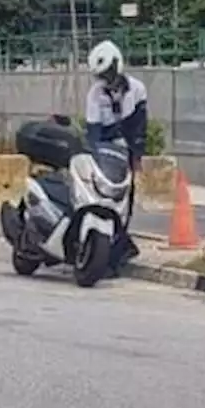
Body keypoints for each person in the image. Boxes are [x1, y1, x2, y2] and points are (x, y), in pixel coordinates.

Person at [83, 40, 147, 271]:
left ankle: (117, 252)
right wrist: (93, 154)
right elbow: (93, 129)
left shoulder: (137, 89)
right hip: (106, 151)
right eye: (102, 75)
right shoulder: (95, 94)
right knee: (102, 196)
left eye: (108, 73)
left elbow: (140, 126)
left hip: (126, 153)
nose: (106, 79)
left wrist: (137, 157)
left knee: (124, 203)